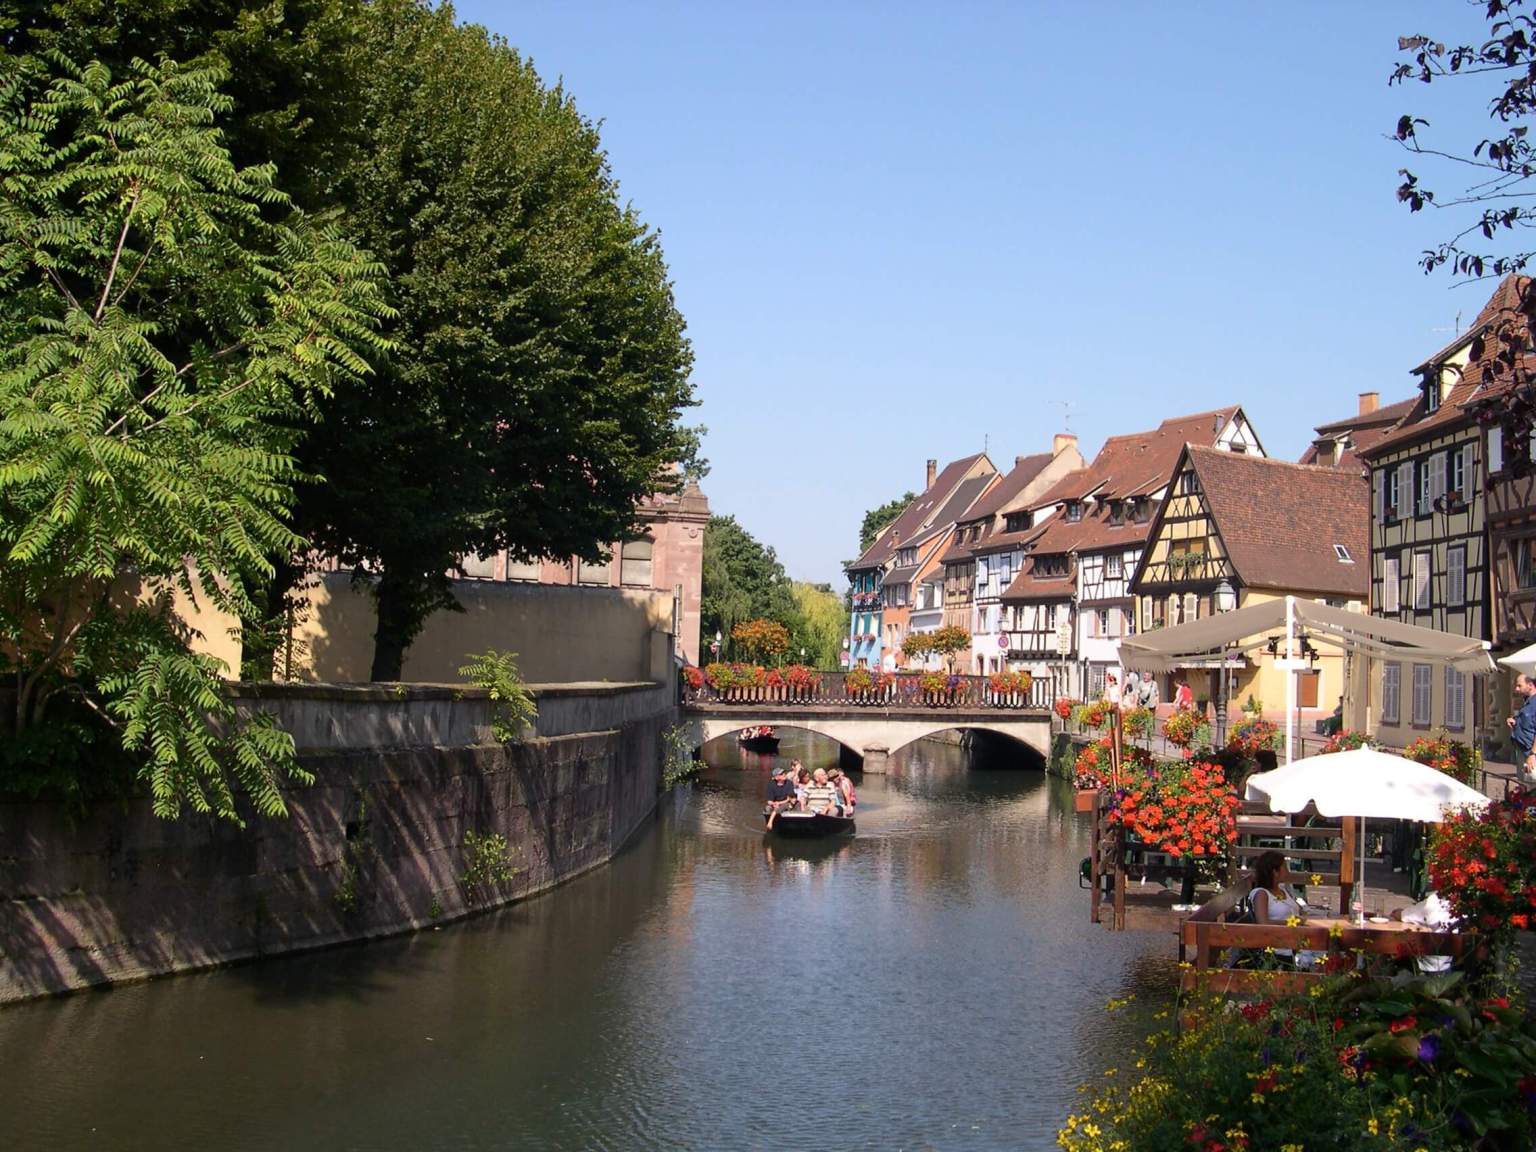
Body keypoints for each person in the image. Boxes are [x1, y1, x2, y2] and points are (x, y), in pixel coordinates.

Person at [1248, 850, 1319, 968]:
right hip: (1279, 946)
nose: (1288, 871)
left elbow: (1299, 910)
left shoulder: (1282, 890)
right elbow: (1263, 923)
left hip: (1297, 939)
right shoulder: (1262, 894)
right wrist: (1293, 922)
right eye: (1285, 867)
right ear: (1275, 872)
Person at [1390, 891, 1456, 973]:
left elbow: (1406, 915)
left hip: (1424, 965)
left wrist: (1399, 912)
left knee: (1391, 944)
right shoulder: (1462, 905)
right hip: (1447, 965)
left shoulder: (1437, 901)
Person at [1506, 672, 1536, 785]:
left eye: (1519, 685)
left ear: (1530, 685)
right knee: (1525, 786)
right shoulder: (1527, 702)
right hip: (1522, 750)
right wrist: (1515, 721)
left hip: (1530, 752)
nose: (1516, 689)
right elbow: (1529, 723)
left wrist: (1533, 754)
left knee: (1532, 786)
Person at [764, 765, 797, 829]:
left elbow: (789, 799)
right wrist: (774, 804)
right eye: (781, 774)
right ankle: (771, 823)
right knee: (767, 808)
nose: (784, 774)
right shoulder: (771, 785)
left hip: (786, 803)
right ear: (776, 777)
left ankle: (771, 822)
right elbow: (769, 801)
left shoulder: (789, 783)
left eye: (784, 773)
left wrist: (779, 803)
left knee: (783, 806)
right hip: (775, 803)